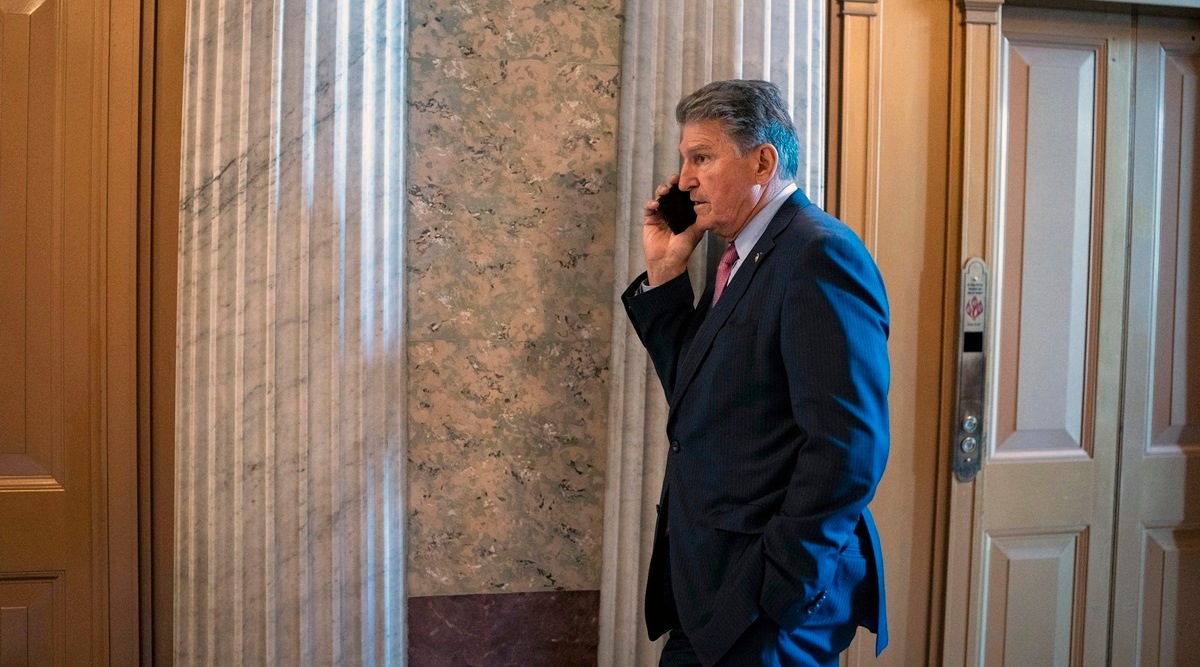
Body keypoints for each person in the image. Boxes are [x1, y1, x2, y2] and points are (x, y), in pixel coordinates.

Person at [621, 79, 890, 666]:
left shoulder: (819, 254)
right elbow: (701, 402)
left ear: (762, 160)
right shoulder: (738, 256)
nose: (684, 178)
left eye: (702, 157)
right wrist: (667, 274)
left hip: (765, 604)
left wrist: (779, 589)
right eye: (684, 159)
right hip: (713, 586)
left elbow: (850, 448)